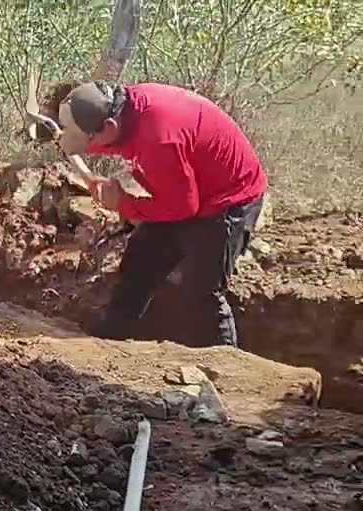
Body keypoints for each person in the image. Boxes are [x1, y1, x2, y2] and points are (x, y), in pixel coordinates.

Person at [55, 81, 267, 347]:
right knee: (140, 262)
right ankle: (110, 339)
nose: (89, 145)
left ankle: (224, 363)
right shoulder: (125, 108)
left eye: (87, 137)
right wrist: (70, 138)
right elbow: (111, 140)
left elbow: (183, 207)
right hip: (188, 186)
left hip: (228, 199)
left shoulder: (158, 140)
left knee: (201, 293)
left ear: (108, 126)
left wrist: (123, 203)